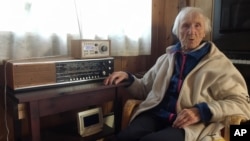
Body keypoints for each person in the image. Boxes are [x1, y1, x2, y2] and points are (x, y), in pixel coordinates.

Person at [104, 7, 250, 141]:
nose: (191, 31)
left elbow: (241, 103)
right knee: (124, 137)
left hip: (189, 124)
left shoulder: (219, 64)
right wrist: (129, 78)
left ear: (204, 32)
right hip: (156, 115)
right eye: (185, 25)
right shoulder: (166, 58)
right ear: (177, 31)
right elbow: (144, 89)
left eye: (197, 25)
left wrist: (200, 111)